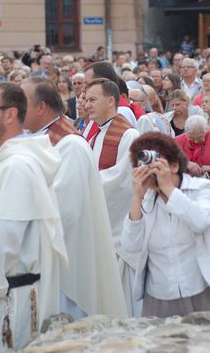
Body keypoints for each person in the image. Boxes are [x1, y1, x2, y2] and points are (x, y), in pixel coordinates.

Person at [21, 77, 127, 319]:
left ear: (41, 107)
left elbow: (63, 210)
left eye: (22, 101)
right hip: (45, 259)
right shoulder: (40, 137)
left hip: (66, 262)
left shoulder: (69, 145)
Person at [0, 82, 67, 351]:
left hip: (12, 300)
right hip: (17, 292)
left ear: (10, 114)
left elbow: (4, 241)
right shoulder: (19, 156)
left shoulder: (17, 165)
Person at [122, 132, 210, 318]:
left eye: (154, 162)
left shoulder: (202, 188)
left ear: (174, 165)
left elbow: (201, 221)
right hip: (161, 294)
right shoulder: (146, 199)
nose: (148, 169)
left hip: (204, 288)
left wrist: (168, 189)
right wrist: (137, 197)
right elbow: (131, 245)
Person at [84, 78, 140, 316]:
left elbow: (123, 180)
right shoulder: (93, 132)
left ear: (110, 100)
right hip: (98, 222)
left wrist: (84, 186)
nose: (86, 105)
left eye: (92, 99)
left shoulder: (128, 135)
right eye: (85, 100)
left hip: (117, 228)